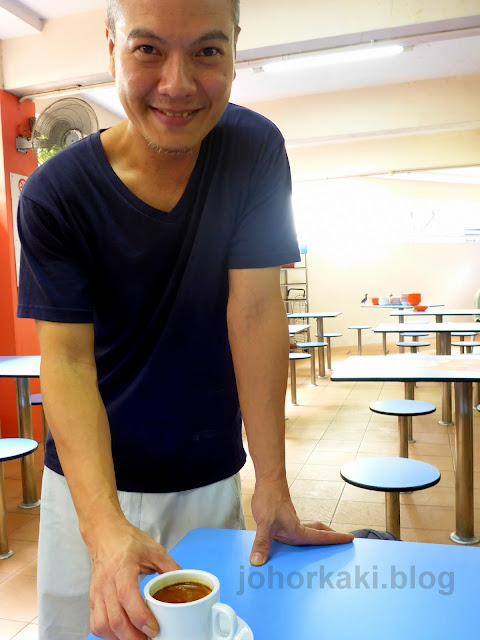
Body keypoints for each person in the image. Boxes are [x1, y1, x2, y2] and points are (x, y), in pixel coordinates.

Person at [17, 1, 353, 638]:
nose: (177, 85)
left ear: (235, 48)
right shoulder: (55, 193)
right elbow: (66, 359)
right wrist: (103, 526)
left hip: (205, 470)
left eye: (207, 51)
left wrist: (272, 483)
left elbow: (255, 311)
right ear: (111, 46)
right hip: (87, 484)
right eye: (148, 49)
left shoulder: (253, 149)